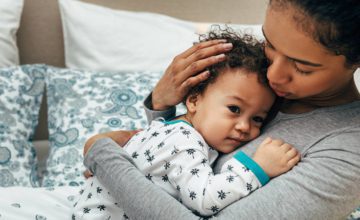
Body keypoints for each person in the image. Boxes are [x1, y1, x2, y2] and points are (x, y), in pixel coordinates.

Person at [83, 0, 360, 219]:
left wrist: (102, 155)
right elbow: (178, 168)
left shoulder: (348, 151)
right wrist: (161, 109)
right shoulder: (258, 84)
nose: (274, 75)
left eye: (302, 67)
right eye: (270, 45)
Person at [73, 29, 300, 219]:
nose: (244, 126)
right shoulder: (184, 141)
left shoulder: (167, 128)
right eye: (234, 109)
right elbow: (204, 199)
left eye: (257, 119)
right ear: (193, 100)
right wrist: (257, 167)